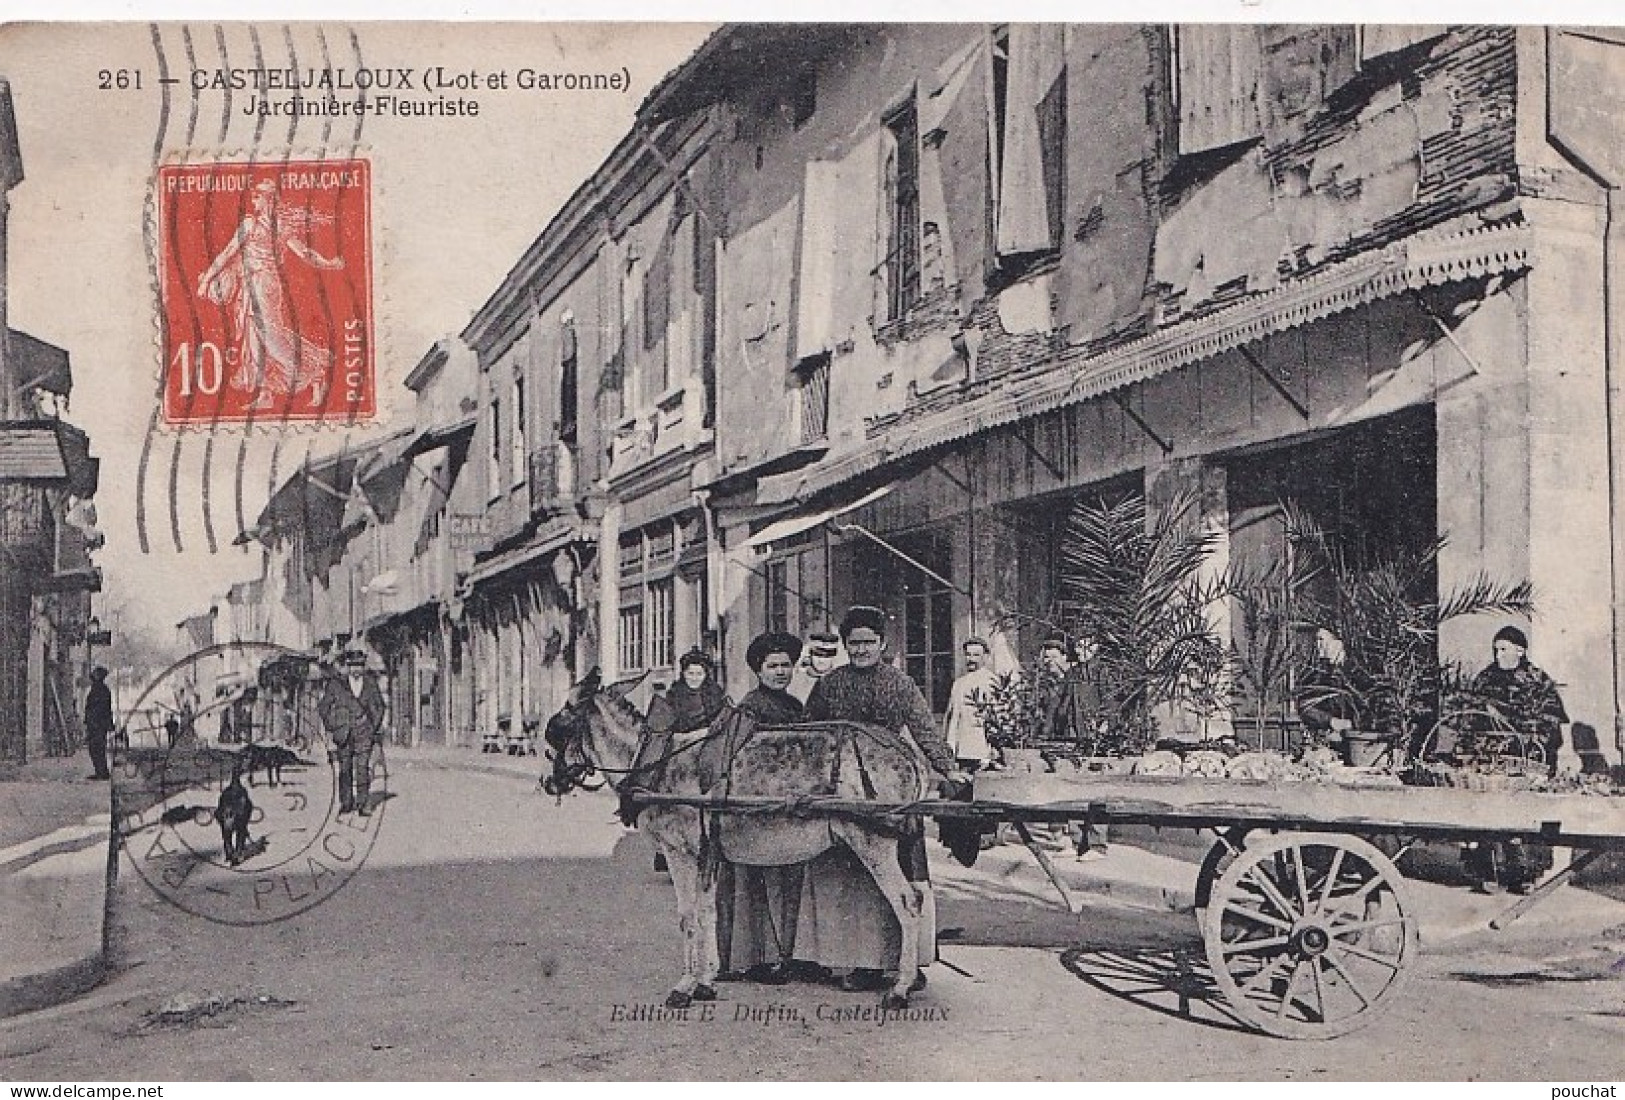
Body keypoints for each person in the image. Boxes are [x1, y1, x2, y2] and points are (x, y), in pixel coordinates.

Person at [795, 606, 963, 992]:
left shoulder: (900, 684)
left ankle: (910, 961)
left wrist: (948, 767)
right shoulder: (831, 684)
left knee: (901, 873)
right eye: (854, 644)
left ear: (882, 644)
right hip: (842, 793)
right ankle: (859, 963)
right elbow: (808, 732)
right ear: (846, 646)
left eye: (868, 643)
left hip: (890, 787)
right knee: (848, 882)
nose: (861, 650)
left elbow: (924, 728)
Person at [718, 632, 808, 984]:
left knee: (786, 880)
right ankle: (755, 958)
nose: (781, 672)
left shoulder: (794, 706)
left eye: (786, 666)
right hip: (757, 804)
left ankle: (784, 955)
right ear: (759, 670)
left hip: (789, 801)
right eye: (773, 666)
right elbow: (738, 757)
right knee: (756, 883)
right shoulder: (750, 707)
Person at [1462, 626, 1569, 895]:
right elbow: (1471, 717)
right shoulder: (1486, 679)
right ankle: (1491, 873)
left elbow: (1552, 724)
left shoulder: (1537, 680)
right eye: (1496, 649)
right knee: (1491, 815)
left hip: (1528, 759)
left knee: (1527, 817)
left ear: (1520, 651)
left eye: (1504, 649)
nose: (1498, 655)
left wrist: (1533, 743)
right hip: (1492, 758)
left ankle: (1526, 875)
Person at [318, 647, 387, 815]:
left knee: (363, 767)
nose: (356, 669)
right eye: (353, 665)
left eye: (360, 665)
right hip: (343, 733)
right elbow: (323, 707)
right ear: (348, 666)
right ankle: (346, 802)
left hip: (364, 731)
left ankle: (363, 803)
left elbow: (380, 706)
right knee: (345, 768)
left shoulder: (371, 683)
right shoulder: (336, 684)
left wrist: (373, 726)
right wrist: (333, 726)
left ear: (364, 667)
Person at [943, 636, 997, 772]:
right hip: (961, 750)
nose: (971, 659)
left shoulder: (992, 682)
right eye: (968, 655)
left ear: (985, 656)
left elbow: (996, 718)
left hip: (982, 751)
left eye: (976, 655)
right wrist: (949, 747)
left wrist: (991, 753)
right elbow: (952, 717)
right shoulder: (958, 683)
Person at [83, 666, 114, 780]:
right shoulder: (98, 688)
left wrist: (92, 722)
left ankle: (102, 773)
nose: (92, 675)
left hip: (98, 724)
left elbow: (102, 709)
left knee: (97, 748)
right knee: (96, 748)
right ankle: (101, 772)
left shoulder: (101, 690)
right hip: (96, 723)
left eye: (95, 674)